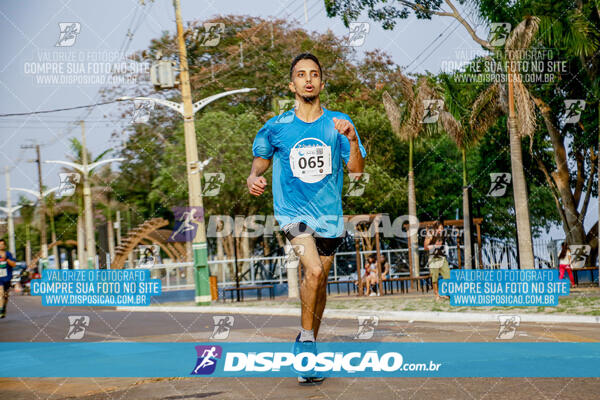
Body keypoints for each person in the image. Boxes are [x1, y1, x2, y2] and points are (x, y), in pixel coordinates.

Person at [248, 53, 366, 385]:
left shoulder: (339, 124)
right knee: (313, 270)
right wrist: (252, 178)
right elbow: (260, 162)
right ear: (293, 84)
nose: (308, 79)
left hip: (330, 217)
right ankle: (307, 341)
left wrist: (353, 140)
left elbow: (356, 172)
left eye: (314, 74)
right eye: (301, 75)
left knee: (317, 282)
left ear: (322, 83)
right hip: (292, 213)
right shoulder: (277, 127)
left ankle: (307, 339)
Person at [424, 220, 450, 301]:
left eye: (442, 228)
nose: (441, 230)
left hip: (442, 257)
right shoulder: (430, 235)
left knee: (447, 276)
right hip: (433, 258)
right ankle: (437, 294)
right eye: (439, 228)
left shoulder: (443, 235)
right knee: (435, 278)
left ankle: (446, 293)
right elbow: (425, 247)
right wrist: (435, 246)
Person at [0, 239, 16, 318]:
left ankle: (4, 307)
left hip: (7, 278)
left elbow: (13, 264)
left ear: (5, 245)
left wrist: (6, 259)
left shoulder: (8, 254)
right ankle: (1, 309)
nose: (1, 246)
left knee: (6, 296)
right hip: (0, 279)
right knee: (1, 292)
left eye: (2, 244)